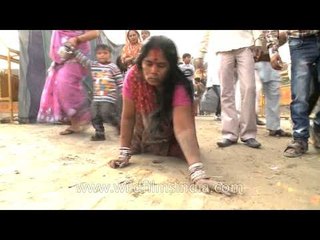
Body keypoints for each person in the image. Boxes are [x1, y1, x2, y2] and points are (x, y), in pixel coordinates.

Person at [108, 35, 235, 196]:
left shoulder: (178, 84)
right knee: (136, 143)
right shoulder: (133, 76)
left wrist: (197, 173)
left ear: (170, 67)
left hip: (168, 131)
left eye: (161, 65)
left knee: (184, 152)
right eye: (148, 64)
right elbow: (128, 117)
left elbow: (184, 129)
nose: (153, 71)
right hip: (142, 127)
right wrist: (124, 152)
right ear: (141, 63)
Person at [266, 30, 320, 157]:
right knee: (300, 94)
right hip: (301, 42)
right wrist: (273, 50)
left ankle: (318, 126)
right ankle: (300, 139)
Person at [37, 30, 100, 135]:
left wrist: (77, 39)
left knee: (64, 82)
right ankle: (75, 123)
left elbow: (95, 33)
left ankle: (83, 116)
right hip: (62, 55)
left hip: (76, 55)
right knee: (57, 85)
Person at [212, 30, 263, 148]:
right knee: (226, 91)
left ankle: (248, 134)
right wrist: (201, 52)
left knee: (249, 88)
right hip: (222, 46)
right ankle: (229, 134)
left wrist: (258, 41)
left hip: (245, 44)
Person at [72, 44, 123, 141]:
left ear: (110, 55)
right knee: (94, 114)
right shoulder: (94, 65)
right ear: (96, 55)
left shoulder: (113, 67)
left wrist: (122, 91)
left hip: (109, 97)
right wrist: (75, 51)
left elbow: (120, 81)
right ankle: (99, 133)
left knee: (106, 113)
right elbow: (84, 60)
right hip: (97, 97)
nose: (102, 55)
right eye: (99, 53)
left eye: (105, 53)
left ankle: (119, 125)